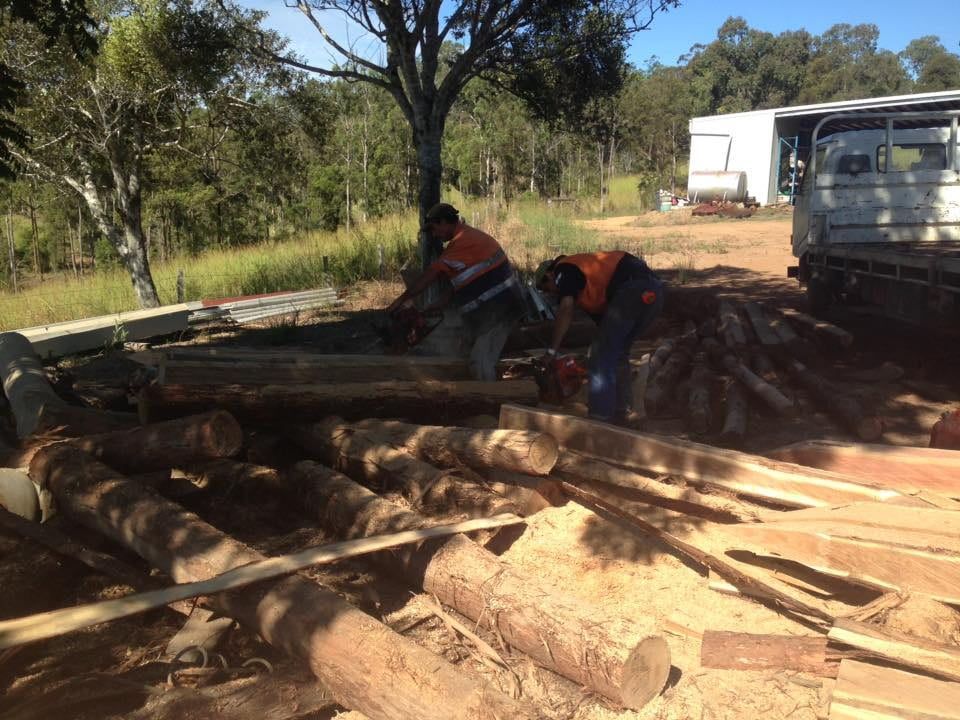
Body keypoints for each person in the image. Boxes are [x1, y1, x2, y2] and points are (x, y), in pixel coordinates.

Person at [388, 202, 523, 381]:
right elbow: (459, 282)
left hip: (499, 310)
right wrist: (438, 305)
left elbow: (430, 276)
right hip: (495, 309)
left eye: (435, 228)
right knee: (466, 351)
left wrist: (401, 300)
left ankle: (490, 402)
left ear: (445, 222)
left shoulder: (462, 242)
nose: (434, 234)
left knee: (479, 363)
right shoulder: (467, 239)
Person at [535, 251, 665, 425]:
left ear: (548, 275)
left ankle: (599, 419)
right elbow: (606, 332)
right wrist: (582, 366)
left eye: (546, 288)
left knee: (601, 355)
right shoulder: (589, 288)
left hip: (632, 289)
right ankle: (622, 413)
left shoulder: (563, 268)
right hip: (654, 291)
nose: (551, 294)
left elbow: (566, 309)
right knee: (617, 352)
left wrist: (551, 351)